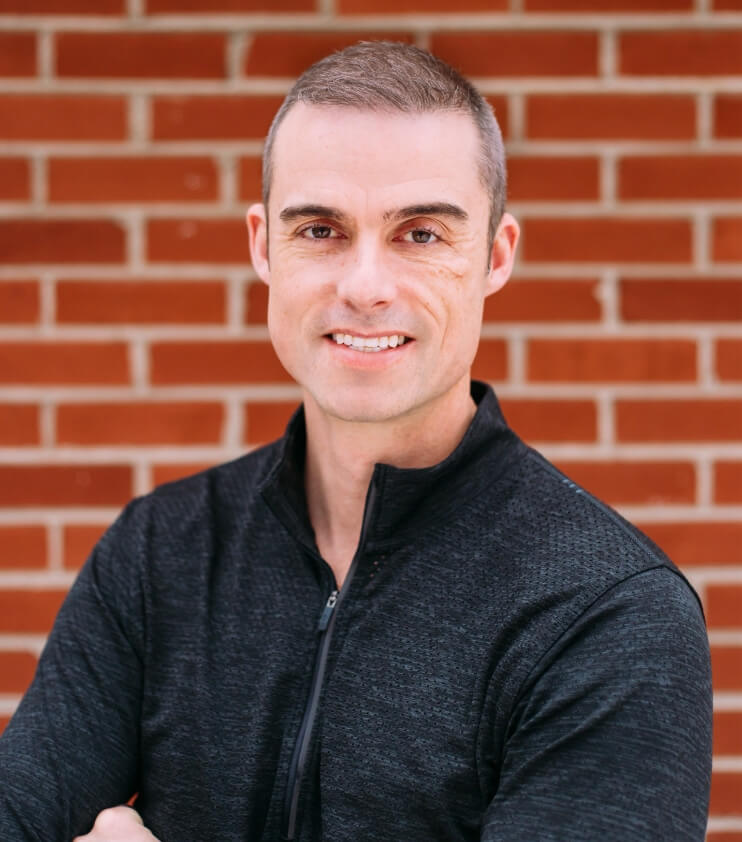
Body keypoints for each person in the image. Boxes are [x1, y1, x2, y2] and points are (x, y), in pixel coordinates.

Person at [0, 42, 711, 842]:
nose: (366, 286)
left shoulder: (607, 612)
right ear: (263, 245)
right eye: (321, 228)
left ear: (495, 256)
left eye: (421, 235)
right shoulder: (160, 554)